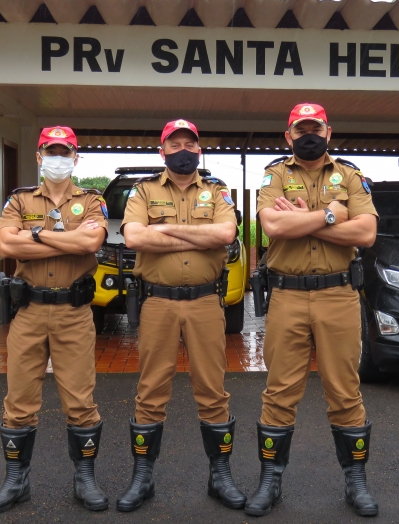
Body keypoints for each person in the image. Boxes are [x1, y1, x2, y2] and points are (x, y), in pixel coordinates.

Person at [245, 103, 379, 517]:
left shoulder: (351, 176)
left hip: (338, 296)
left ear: (328, 131)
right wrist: (332, 213)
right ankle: (270, 482)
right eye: (300, 129)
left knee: (344, 391)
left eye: (315, 128)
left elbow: (367, 232)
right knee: (280, 391)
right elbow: (274, 227)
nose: (309, 135)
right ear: (288, 135)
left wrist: (307, 218)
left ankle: (356, 483)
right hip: (287, 295)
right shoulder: (275, 176)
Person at [117, 119, 245, 512]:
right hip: (158, 302)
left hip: (206, 301)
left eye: (190, 143)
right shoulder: (144, 190)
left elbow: (226, 235)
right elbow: (134, 237)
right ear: (163, 151)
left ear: (198, 149)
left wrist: (167, 231)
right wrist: (193, 232)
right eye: (175, 144)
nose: (183, 150)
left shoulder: (217, 192)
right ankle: (142, 478)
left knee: (212, 388)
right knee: (151, 389)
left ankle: (220, 476)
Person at [0, 126, 108, 512]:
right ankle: (16, 480)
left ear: (76, 157)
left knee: (80, 400)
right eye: (51, 150)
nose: (58, 157)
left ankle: (85, 478)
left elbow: (91, 243)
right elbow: (5, 244)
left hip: (74, 313)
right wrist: (65, 237)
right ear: (39, 155)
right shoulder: (19, 198)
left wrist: (35, 237)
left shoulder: (92, 200)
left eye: (65, 151)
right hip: (27, 313)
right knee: (19, 400)